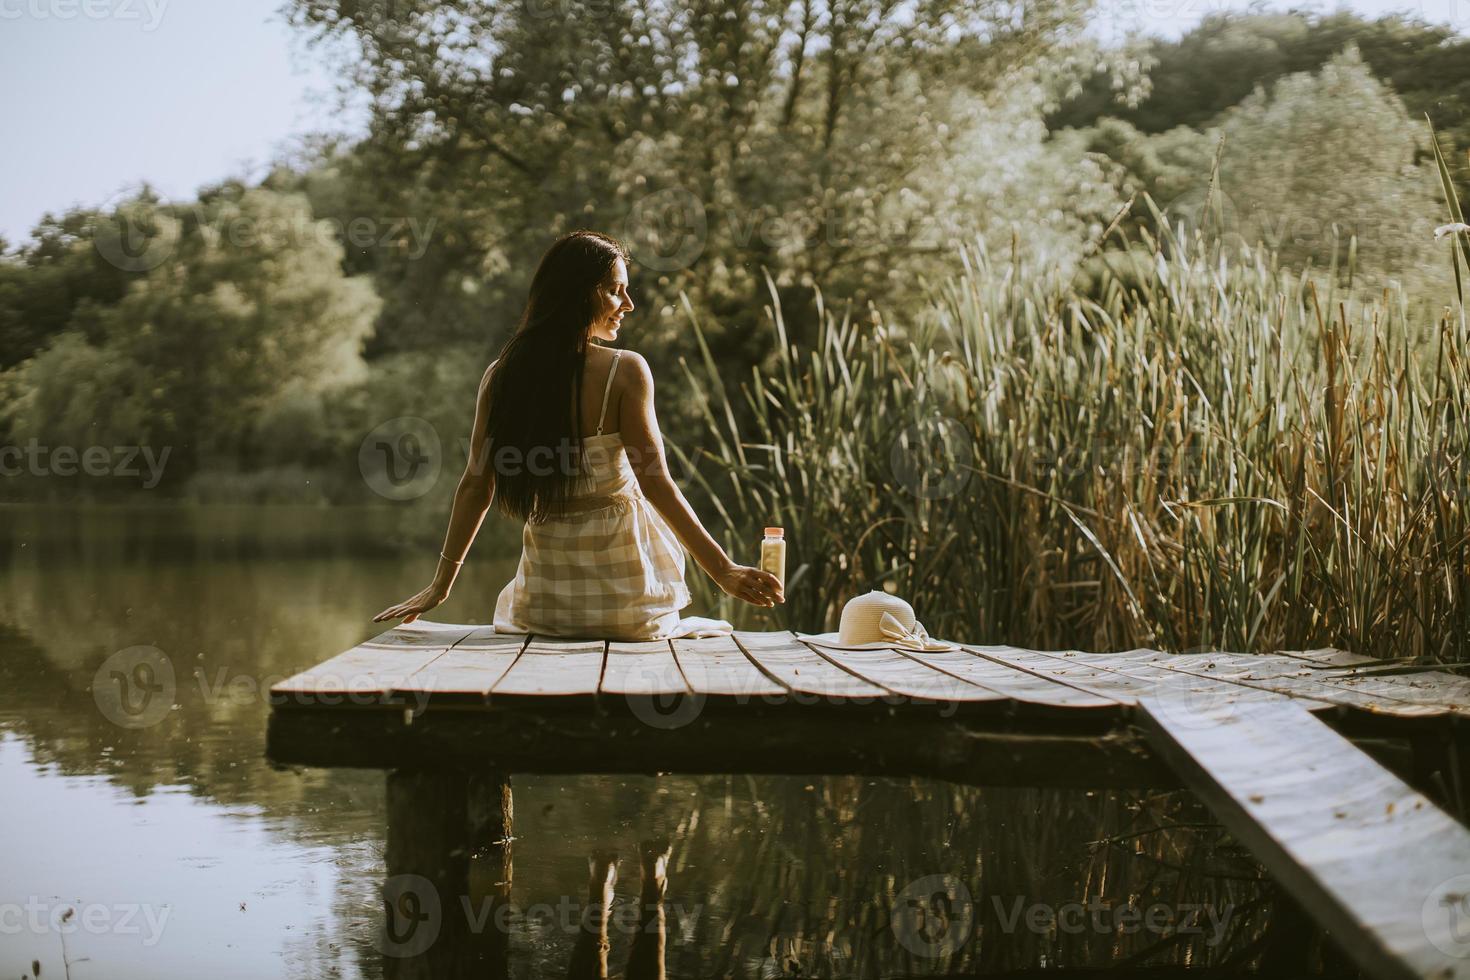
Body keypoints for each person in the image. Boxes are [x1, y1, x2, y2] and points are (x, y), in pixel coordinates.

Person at [372, 229, 783, 637]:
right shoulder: (626, 371)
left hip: (547, 609)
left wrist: (440, 587)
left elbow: (476, 486)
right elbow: (657, 483)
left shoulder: (502, 378)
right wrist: (723, 570)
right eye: (616, 290)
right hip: (631, 609)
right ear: (578, 293)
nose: (629, 304)